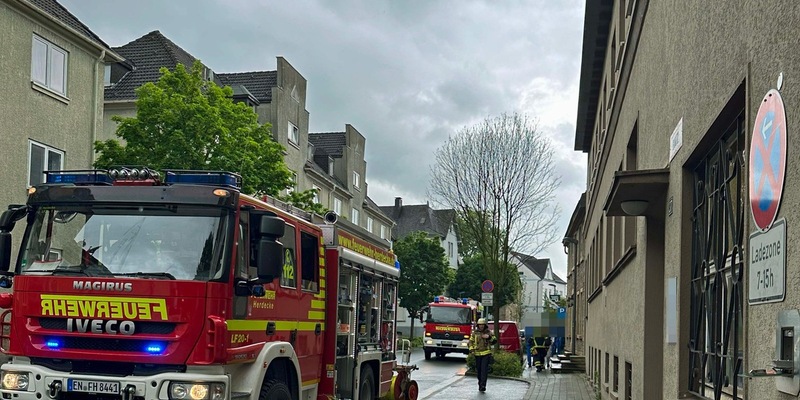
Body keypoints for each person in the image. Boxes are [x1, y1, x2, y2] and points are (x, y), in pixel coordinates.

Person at [469, 318, 497, 392]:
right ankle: (480, 383)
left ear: (485, 325)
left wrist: (489, 337)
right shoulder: (475, 333)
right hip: (477, 354)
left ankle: (483, 385)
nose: (481, 326)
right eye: (480, 325)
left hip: (486, 354)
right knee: (479, 371)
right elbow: (470, 342)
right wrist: (471, 350)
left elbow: (494, 341)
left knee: (484, 370)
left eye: (482, 325)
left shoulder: (489, 332)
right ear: (478, 325)